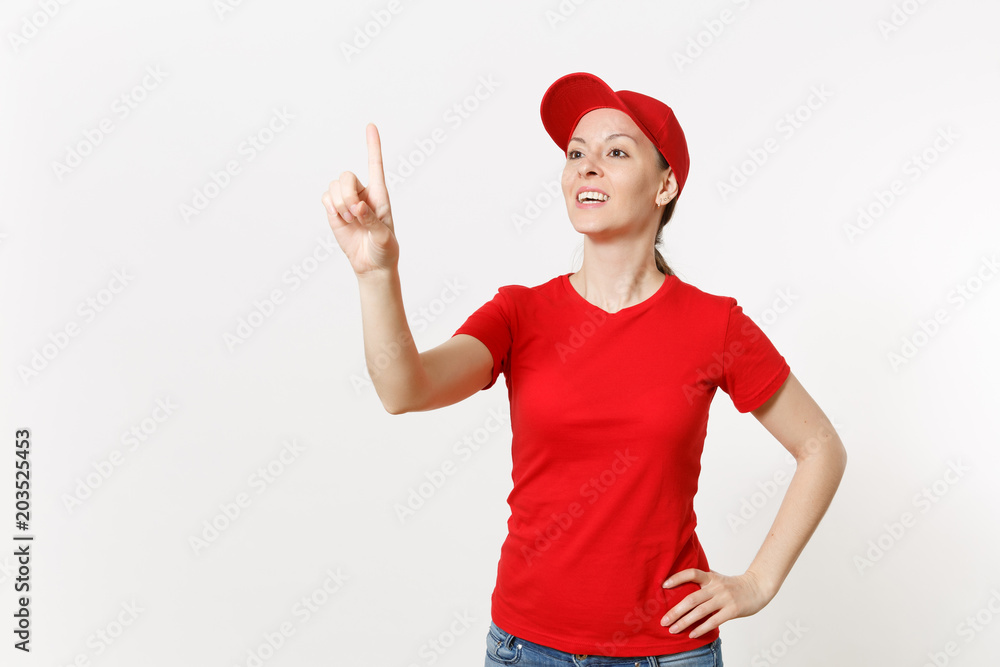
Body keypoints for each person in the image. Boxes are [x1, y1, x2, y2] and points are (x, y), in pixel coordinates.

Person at [321, 72, 848, 667]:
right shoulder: (519, 313)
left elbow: (821, 447)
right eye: (576, 154)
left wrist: (757, 583)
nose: (585, 167)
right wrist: (375, 273)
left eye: (615, 152)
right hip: (528, 649)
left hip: (667, 653)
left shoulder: (714, 325)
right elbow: (402, 388)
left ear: (665, 185)